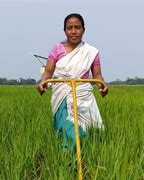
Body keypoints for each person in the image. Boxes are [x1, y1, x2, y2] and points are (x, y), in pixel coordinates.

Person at [38, 13, 109, 150]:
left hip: (83, 96)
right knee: (69, 130)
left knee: (89, 132)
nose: (73, 31)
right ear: (64, 30)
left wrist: (103, 86)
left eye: (77, 27)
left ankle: (86, 160)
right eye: (69, 28)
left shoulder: (91, 52)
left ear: (83, 29)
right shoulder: (57, 49)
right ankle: (68, 164)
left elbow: (98, 76)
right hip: (62, 95)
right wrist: (43, 83)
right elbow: (47, 72)